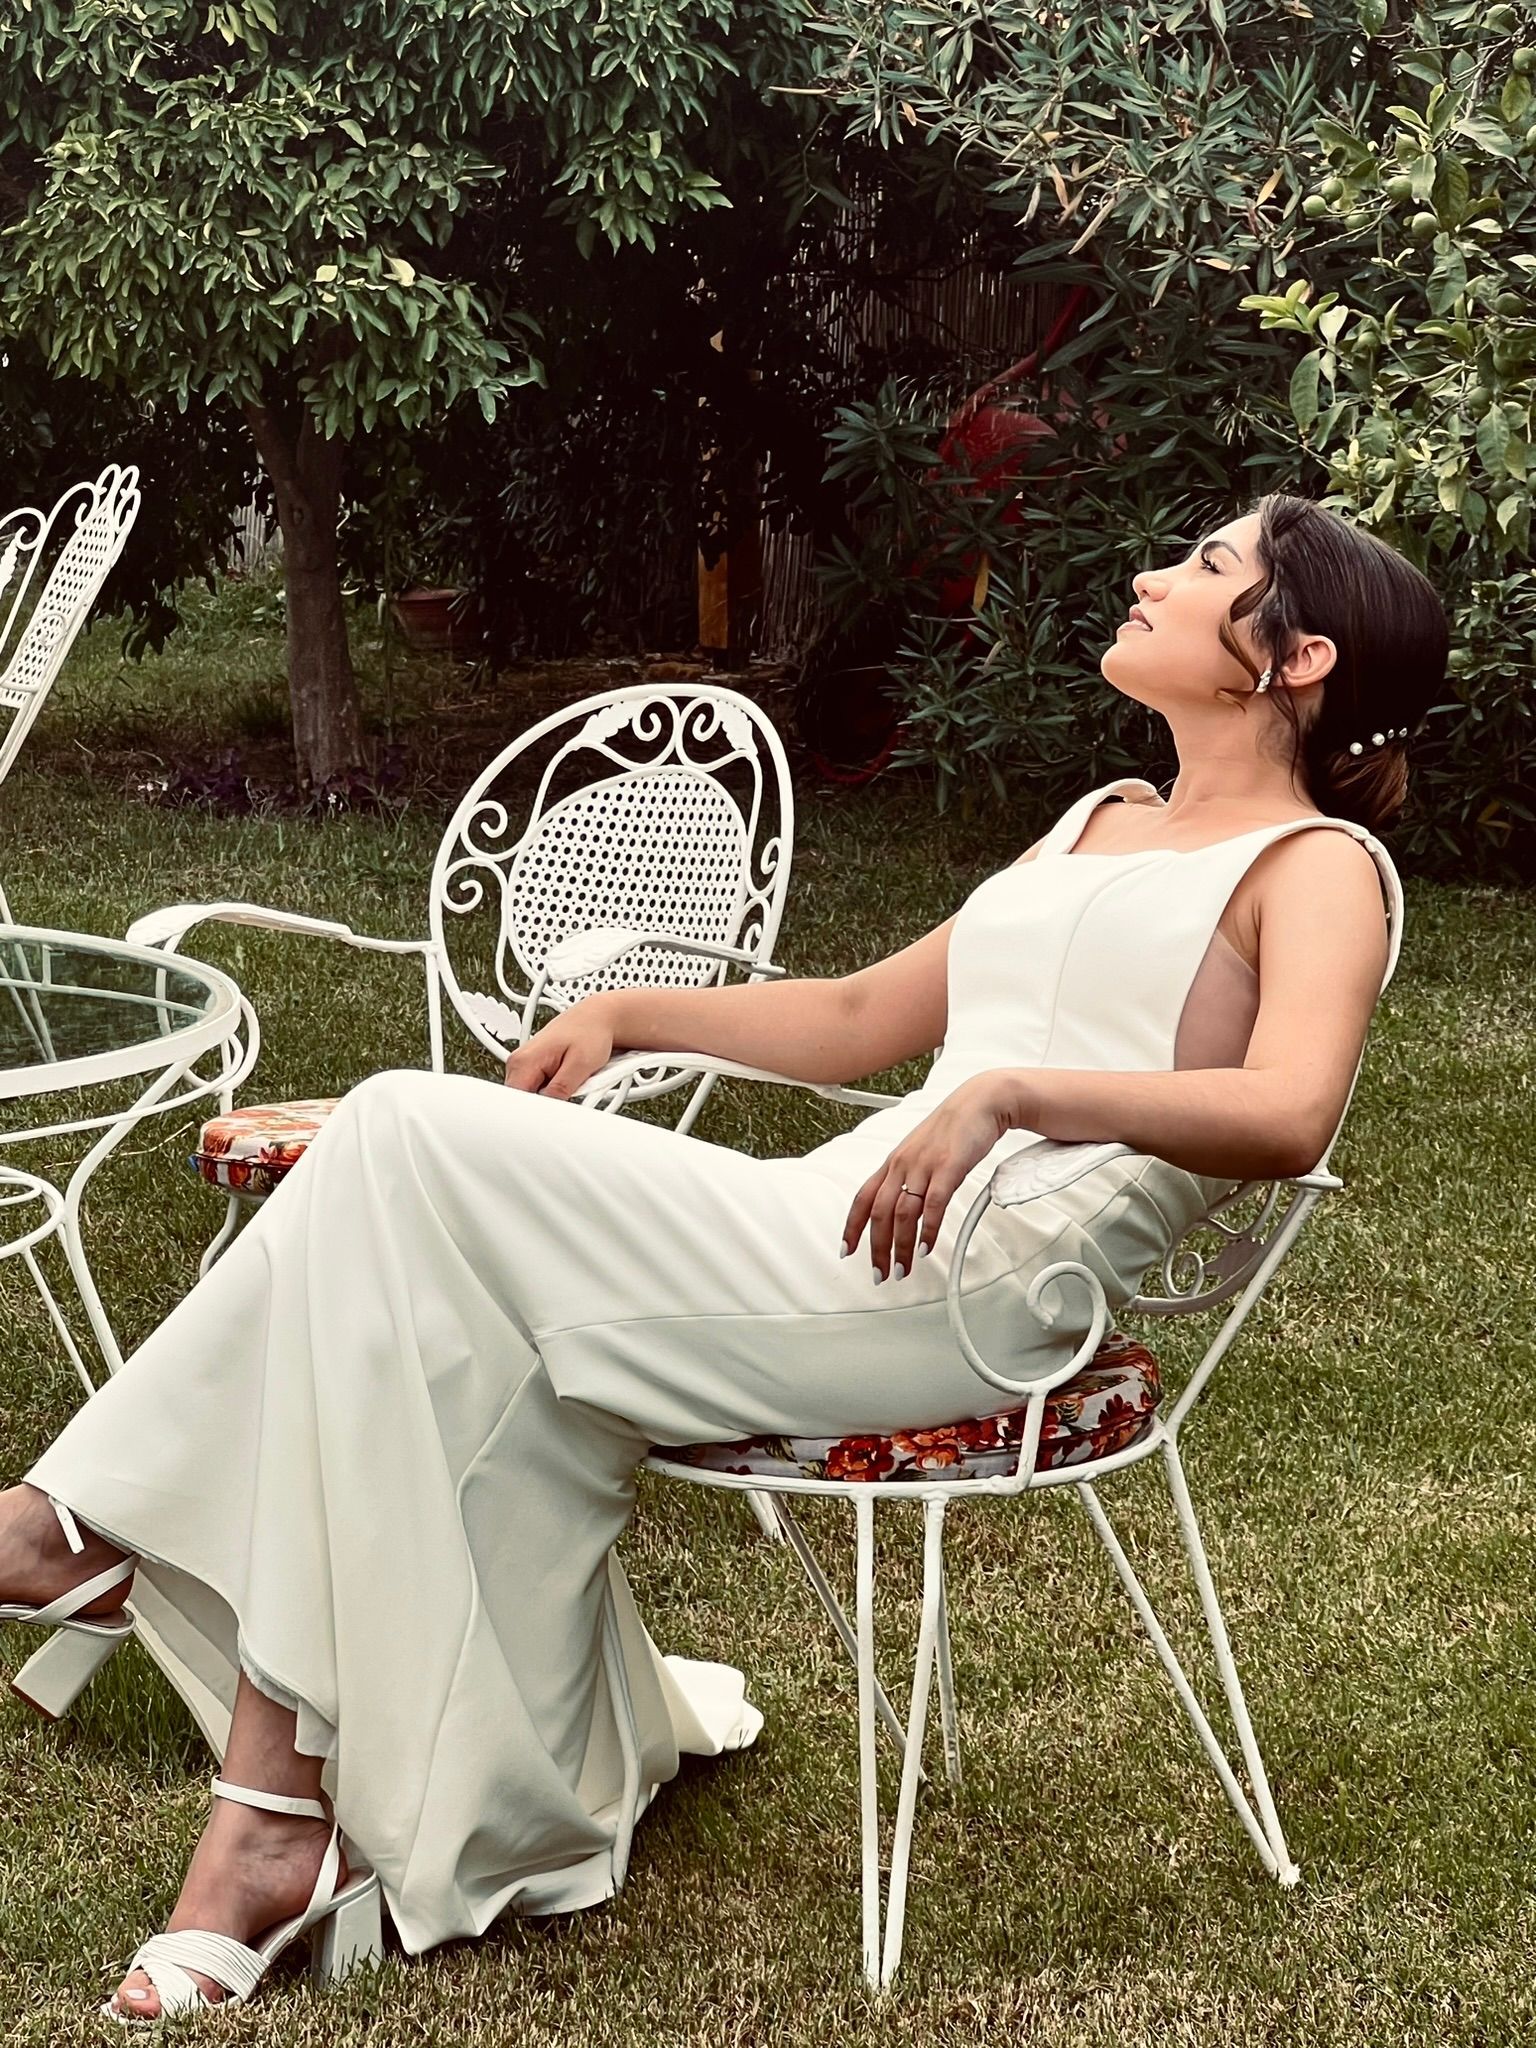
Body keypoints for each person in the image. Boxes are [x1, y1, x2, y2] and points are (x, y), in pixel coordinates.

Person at [0, 492, 1447, 2020]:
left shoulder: (1319, 869)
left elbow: (1290, 1112)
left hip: (983, 1293)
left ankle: (85, 1536)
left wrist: (1013, 1094)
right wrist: (638, 1011)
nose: (1153, 573)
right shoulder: (1099, 818)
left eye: (1210, 566)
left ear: (1295, 658)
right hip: (839, 1225)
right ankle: (263, 1815)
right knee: (414, 1279)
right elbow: (856, 1020)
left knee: (403, 1133)